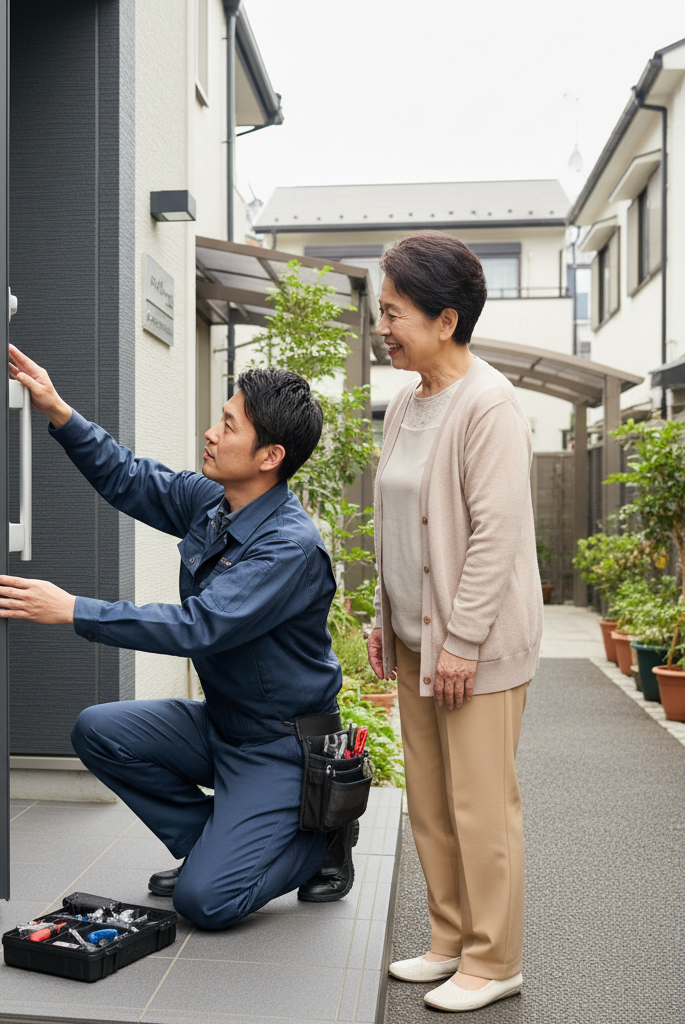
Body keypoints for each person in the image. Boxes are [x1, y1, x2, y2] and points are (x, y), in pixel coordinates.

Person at [0, 344, 355, 929]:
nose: (211, 432)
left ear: (269, 456)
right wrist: (57, 408)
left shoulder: (288, 546)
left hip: (280, 747)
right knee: (99, 732)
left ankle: (319, 841)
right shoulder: (217, 502)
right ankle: (214, 843)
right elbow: (131, 479)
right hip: (224, 725)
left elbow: (200, 626)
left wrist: (75, 610)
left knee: (204, 904)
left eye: (228, 425)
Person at [368, 232, 542, 1012]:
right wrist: (386, 617)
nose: (383, 325)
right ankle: (448, 939)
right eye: (381, 310)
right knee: (431, 799)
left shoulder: (489, 405)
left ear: (445, 319)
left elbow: (496, 536)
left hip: (474, 648)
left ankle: (494, 957)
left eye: (394, 312)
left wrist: (463, 641)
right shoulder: (408, 401)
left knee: (480, 802)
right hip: (415, 641)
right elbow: (397, 521)